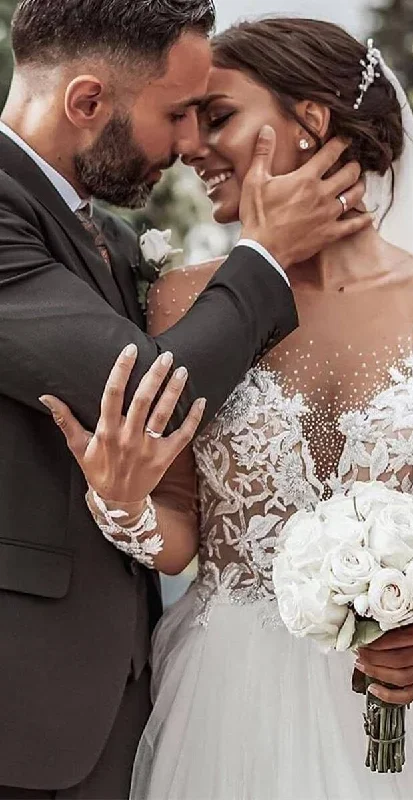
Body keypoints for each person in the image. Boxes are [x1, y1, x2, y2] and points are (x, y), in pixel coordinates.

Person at [46, 18, 413, 800]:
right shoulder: (184, 302)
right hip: (229, 701)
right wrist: (122, 500)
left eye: (218, 117)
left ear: (309, 121)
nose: (191, 147)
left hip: (410, 709)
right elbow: (179, 540)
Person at [0, 2, 369, 797]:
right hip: (19, 705)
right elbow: (149, 396)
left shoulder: (116, 241)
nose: (189, 145)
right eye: (175, 115)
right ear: (88, 103)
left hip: (123, 699)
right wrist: (265, 257)